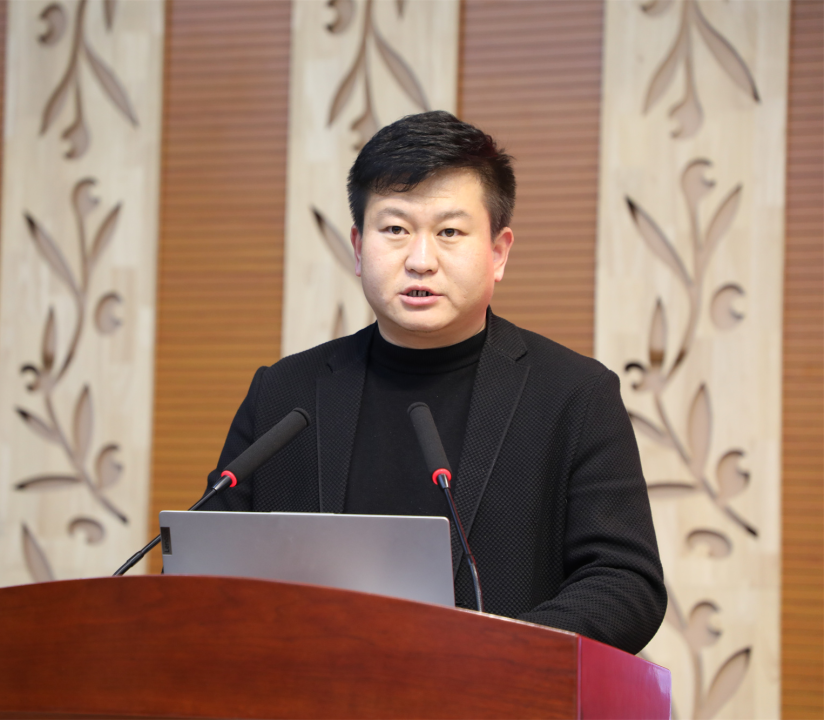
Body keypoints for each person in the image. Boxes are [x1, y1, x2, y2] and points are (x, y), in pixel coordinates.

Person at [199, 110, 666, 655]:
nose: (420, 261)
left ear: (498, 252)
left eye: (449, 232)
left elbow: (625, 583)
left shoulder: (573, 395)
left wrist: (491, 655)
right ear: (358, 247)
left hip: (493, 692)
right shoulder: (284, 394)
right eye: (395, 229)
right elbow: (206, 561)